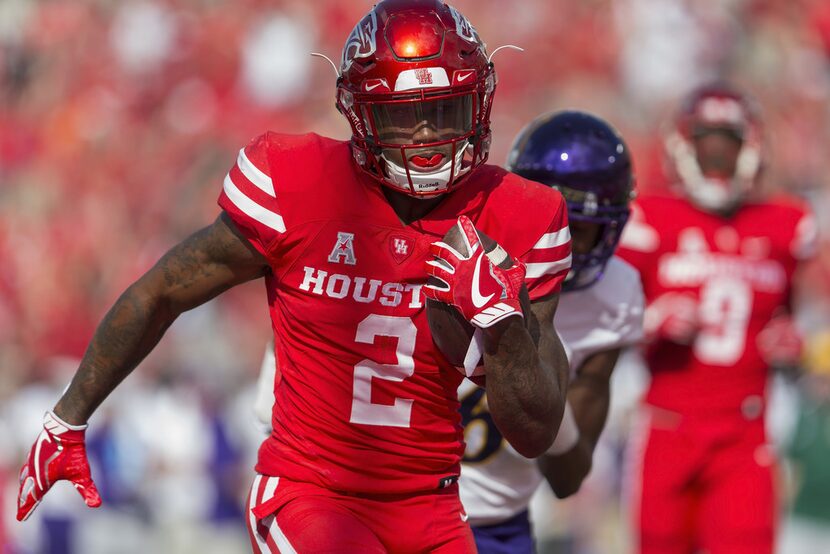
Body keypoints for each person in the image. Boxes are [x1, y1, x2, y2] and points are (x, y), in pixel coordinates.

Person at [15, 2, 574, 553]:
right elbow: (162, 292)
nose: (426, 135)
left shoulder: (522, 215)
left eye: (445, 110)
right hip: (312, 497)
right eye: (401, 114)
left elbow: (535, 434)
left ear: (479, 102)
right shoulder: (296, 182)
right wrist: (68, 417)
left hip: (433, 509)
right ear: (359, 113)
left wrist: (504, 326)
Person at [617, 83, 818, 554]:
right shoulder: (649, 219)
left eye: (727, 146)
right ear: (683, 147)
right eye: (708, 145)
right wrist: (651, 319)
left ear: (750, 148)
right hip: (666, 426)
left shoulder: (786, 223)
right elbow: (601, 322)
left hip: (745, 432)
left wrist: (797, 343)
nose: (718, 158)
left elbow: (800, 321)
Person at [458, 110, 645, 553]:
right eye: (547, 224)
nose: (558, 245)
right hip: (405, 503)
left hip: (497, 525)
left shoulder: (616, 295)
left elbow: (569, 475)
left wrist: (534, 380)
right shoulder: (464, 254)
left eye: (575, 229)